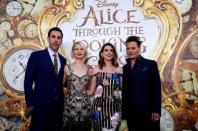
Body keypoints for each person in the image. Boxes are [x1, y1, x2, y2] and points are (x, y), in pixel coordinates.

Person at [24, 27, 67, 131]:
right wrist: (30, 105)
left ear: (61, 40)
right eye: (53, 37)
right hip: (39, 108)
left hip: (57, 109)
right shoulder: (36, 56)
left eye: (59, 38)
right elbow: (28, 81)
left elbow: (61, 83)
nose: (56, 40)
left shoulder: (63, 60)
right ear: (48, 38)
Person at [122, 36, 161, 131]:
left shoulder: (150, 64)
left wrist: (156, 110)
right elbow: (125, 92)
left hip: (148, 112)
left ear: (139, 49)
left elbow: (156, 88)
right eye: (128, 48)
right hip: (131, 114)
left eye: (133, 48)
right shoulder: (124, 68)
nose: (130, 51)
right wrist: (125, 112)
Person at [89, 43, 122, 131]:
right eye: (106, 50)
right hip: (98, 109)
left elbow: (124, 89)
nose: (109, 52)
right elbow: (91, 91)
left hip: (114, 109)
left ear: (114, 53)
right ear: (102, 54)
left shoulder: (119, 70)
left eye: (111, 50)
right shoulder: (96, 70)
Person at [63, 41, 93, 131]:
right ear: (73, 52)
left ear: (85, 52)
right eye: (76, 49)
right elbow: (59, 86)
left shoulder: (90, 69)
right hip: (69, 108)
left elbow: (91, 91)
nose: (79, 51)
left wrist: (81, 93)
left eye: (82, 49)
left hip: (85, 108)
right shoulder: (66, 68)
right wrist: (67, 90)